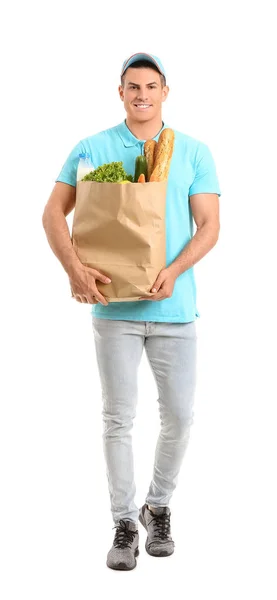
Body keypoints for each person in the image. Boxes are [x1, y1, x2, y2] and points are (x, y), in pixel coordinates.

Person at [42, 52, 221, 571]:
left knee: (181, 418)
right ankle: (123, 522)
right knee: (118, 418)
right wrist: (74, 269)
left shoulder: (192, 152)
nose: (141, 94)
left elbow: (209, 225)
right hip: (113, 308)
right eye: (132, 86)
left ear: (166, 91)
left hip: (176, 306)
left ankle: (157, 505)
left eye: (150, 86)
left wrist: (174, 270)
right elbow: (54, 211)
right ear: (119, 92)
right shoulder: (91, 149)